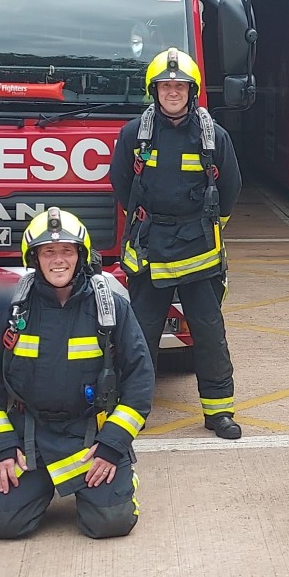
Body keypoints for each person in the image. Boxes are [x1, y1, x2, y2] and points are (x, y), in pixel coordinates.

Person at [0, 208, 154, 540]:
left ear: (80, 255)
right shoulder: (8, 310)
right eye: (48, 251)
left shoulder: (110, 308)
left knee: (111, 522)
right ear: (34, 258)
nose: (58, 260)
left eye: (67, 250)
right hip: (28, 437)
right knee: (1, 525)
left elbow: (140, 379)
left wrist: (113, 445)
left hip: (89, 437)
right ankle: (41, 483)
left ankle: (121, 479)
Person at [109, 47, 245, 439]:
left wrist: (209, 226)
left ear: (192, 91)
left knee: (208, 333)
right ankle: (132, 412)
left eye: (180, 86)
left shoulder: (212, 136)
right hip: (150, 248)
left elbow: (230, 186)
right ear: (154, 90)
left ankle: (219, 412)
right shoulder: (135, 134)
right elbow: (122, 183)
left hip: (199, 251)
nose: (173, 92)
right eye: (166, 86)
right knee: (140, 335)